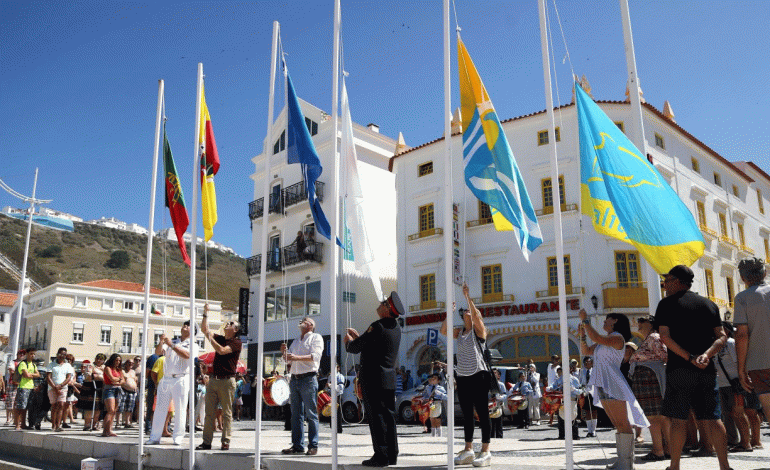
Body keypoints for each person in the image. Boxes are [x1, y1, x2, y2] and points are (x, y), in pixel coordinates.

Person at [656, 264, 731, 470]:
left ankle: (675, 466)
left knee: (679, 419)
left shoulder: (666, 304)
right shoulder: (709, 305)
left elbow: (665, 337)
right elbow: (722, 336)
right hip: (706, 369)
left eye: (668, 280)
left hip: (679, 369)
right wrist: (706, 355)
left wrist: (689, 358)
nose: (665, 284)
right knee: (713, 418)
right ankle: (724, 466)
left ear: (679, 281)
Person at [579, 308, 649, 470]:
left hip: (612, 382)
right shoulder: (607, 339)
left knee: (623, 423)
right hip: (603, 382)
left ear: (615, 321)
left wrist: (586, 320)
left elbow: (595, 337)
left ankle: (627, 463)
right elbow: (586, 351)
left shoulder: (617, 338)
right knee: (617, 424)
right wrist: (582, 335)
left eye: (606, 319)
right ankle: (622, 460)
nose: (604, 321)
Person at [345, 291, 403, 467]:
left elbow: (355, 348)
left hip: (373, 378)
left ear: (387, 309)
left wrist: (348, 342)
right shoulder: (396, 327)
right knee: (389, 417)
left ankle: (381, 455)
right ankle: (391, 455)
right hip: (388, 378)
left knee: (376, 417)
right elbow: (374, 347)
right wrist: (359, 338)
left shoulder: (377, 326)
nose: (380, 303)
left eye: (384, 302)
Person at [441, 283, 493, 468]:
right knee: (467, 414)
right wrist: (450, 311)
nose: (466, 313)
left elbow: (478, 317)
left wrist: (467, 297)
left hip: (479, 375)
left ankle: (486, 450)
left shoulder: (479, 333)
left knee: (482, 412)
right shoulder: (460, 333)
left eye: (468, 311)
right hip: (462, 376)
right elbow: (444, 331)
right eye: (464, 312)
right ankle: (468, 448)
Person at [197, 306, 242, 451]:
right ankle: (206, 442)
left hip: (227, 381)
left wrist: (211, 340)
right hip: (214, 379)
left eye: (231, 324)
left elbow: (222, 351)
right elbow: (205, 329)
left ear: (235, 330)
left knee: (227, 413)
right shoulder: (221, 338)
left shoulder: (236, 343)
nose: (227, 324)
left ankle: (225, 441)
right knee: (209, 413)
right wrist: (205, 313)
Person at [146, 320, 198, 445]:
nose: (185, 326)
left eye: (188, 326)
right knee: (160, 408)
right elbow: (158, 352)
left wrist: (172, 346)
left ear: (193, 331)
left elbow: (187, 355)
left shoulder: (193, 344)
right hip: (166, 377)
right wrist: (161, 342)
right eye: (184, 324)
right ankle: (154, 437)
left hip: (181, 377)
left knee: (180, 408)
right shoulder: (173, 341)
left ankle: (178, 436)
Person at [280, 316, 324, 456]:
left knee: (311, 414)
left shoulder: (316, 338)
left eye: (305, 320)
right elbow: (288, 361)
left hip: (308, 378)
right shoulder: (295, 341)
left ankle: (313, 445)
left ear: (310, 325)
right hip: (295, 378)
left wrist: (295, 358)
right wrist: (284, 353)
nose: (302, 321)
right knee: (296, 415)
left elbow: (315, 356)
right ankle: (297, 445)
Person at [734, 257, 770, 422]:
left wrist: (741, 369)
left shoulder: (742, 298)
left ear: (742, 278)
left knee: (768, 407)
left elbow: (742, 335)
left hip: (759, 363)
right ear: (764, 273)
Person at [629, 315, 669, 460]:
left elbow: (664, 356)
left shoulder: (653, 337)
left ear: (651, 324)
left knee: (654, 417)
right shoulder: (648, 338)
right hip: (648, 379)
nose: (638, 323)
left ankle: (659, 450)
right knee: (656, 417)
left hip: (650, 379)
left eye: (642, 321)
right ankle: (665, 449)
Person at [715, 321, 754, 452]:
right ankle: (733, 440)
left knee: (738, 413)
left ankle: (746, 443)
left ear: (725, 330)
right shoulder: (716, 346)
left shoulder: (731, 343)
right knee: (727, 414)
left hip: (734, 384)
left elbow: (739, 362)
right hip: (722, 384)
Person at [548, 366, 580, 440]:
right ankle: (561, 435)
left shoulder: (574, 379)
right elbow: (554, 386)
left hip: (571, 400)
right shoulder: (559, 379)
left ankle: (575, 435)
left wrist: (574, 389)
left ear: (570, 369)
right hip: (562, 400)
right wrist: (550, 387)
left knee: (573, 417)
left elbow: (580, 391)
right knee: (561, 417)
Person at [47, 347, 74, 432]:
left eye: (64, 355)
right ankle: (53, 425)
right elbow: (48, 377)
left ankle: (58, 425)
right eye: (61, 354)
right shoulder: (51, 365)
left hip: (63, 388)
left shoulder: (68, 365)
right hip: (52, 388)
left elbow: (68, 377)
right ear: (57, 354)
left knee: (61, 405)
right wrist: (55, 387)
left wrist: (61, 385)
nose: (62, 356)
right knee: (54, 406)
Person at [13, 348, 39, 430]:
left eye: (34, 354)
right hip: (23, 387)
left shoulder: (33, 364)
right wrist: (32, 374)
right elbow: (26, 375)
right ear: (27, 354)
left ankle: (23, 424)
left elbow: (38, 375)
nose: (33, 356)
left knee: (26, 408)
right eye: (31, 354)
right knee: (20, 407)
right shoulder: (23, 364)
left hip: (31, 387)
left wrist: (30, 374)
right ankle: (17, 424)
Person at [102, 353, 124, 437]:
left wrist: (117, 380)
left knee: (114, 411)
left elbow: (123, 381)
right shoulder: (108, 368)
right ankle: (105, 430)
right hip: (109, 389)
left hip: (117, 389)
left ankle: (109, 429)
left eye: (119, 360)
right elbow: (111, 378)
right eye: (116, 360)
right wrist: (119, 379)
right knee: (110, 410)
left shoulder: (119, 370)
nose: (118, 362)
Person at [422, 373, 447, 437]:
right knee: (432, 419)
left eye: (435, 379)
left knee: (438, 419)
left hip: (437, 403)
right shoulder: (428, 387)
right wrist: (425, 399)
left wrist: (440, 394)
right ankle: (433, 435)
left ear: (438, 380)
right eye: (432, 379)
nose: (432, 380)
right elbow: (424, 395)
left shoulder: (440, 388)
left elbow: (446, 397)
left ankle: (439, 435)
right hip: (431, 403)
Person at [578, 356, 598, 437]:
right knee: (587, 411)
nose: (586, 363)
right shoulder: (582, 371)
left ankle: (594, 430)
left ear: (592, 363)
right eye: (585, 362)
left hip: (593, 393)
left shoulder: (595, 371)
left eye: (588, 362)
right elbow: (579, 381)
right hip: (585, 392)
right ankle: (589, 430)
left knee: (594, 411)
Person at [5, 349, 25, 425]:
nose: (22, 355)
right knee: (10, 402)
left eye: (23, 354)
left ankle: (15, 419)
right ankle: (8, 419)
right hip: (13, 384)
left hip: (22, 385)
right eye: (20, 354)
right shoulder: (13, 362)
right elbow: (11, 371)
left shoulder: (25, 363)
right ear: (17, 354)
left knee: (18, 403)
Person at [325, 364, 345, 434]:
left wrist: (330, 385)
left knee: (338, 414)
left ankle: (339, 430)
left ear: (338, 368)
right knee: (331, 413)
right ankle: (333, 429)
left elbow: (340, 388)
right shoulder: (330, 376)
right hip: (331, 396)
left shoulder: (340, 376)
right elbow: (327, 388)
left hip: (337, 396)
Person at [118, 358, 138, 428]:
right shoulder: (122, 371)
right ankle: (118, 422)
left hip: (132, 392)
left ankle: (127, 422)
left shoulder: (133, 371)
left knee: (129, 408)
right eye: (129, 362)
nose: (130, 364)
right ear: (126, 363)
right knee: (120, 407)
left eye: (132, 363)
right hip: (124, 390)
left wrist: (135, 387)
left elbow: (135, 380)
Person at [490, 369, 506, 437]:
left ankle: (499, 438)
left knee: (499, 424)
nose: (493, 374)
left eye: (495, 373)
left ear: (498, 375)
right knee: (491, 425)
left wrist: (499, 397)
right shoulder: (488, 384)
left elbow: (505, 395)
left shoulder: (501, 384)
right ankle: (491, 438)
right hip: (490, 406)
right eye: (492, 373)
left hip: (498, 405)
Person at [546, 355, 560, 425]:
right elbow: (552, 366)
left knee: (556, 404)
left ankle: (558, 419)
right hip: (549, 388)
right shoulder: (549, 365)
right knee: (550, 405)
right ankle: (551, 419)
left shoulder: (559, 368)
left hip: (556, 388)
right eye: (554, 359)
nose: (556, 361)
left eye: (557, 360)